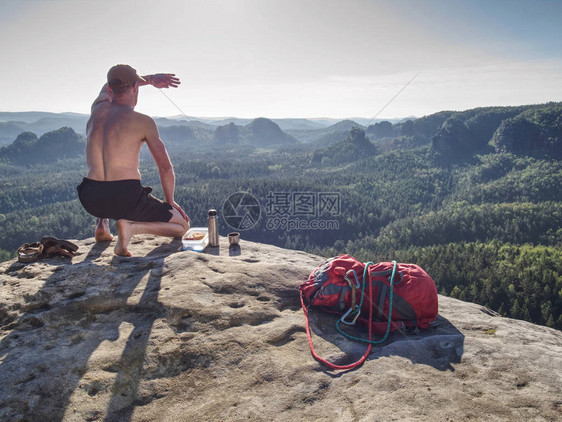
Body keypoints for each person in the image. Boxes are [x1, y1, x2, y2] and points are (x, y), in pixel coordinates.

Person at [77, 64, 190, 256]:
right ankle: (131, 228)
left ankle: (102, 224)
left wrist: (150, 78)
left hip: (90, 198)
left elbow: (106, 87)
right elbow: (165, 168)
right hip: (126, 199)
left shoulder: (97, 108)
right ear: (136, 88)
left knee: (102, 169)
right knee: (182, 226)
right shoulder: (143, 121)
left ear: (110, 88)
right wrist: (170, 202)